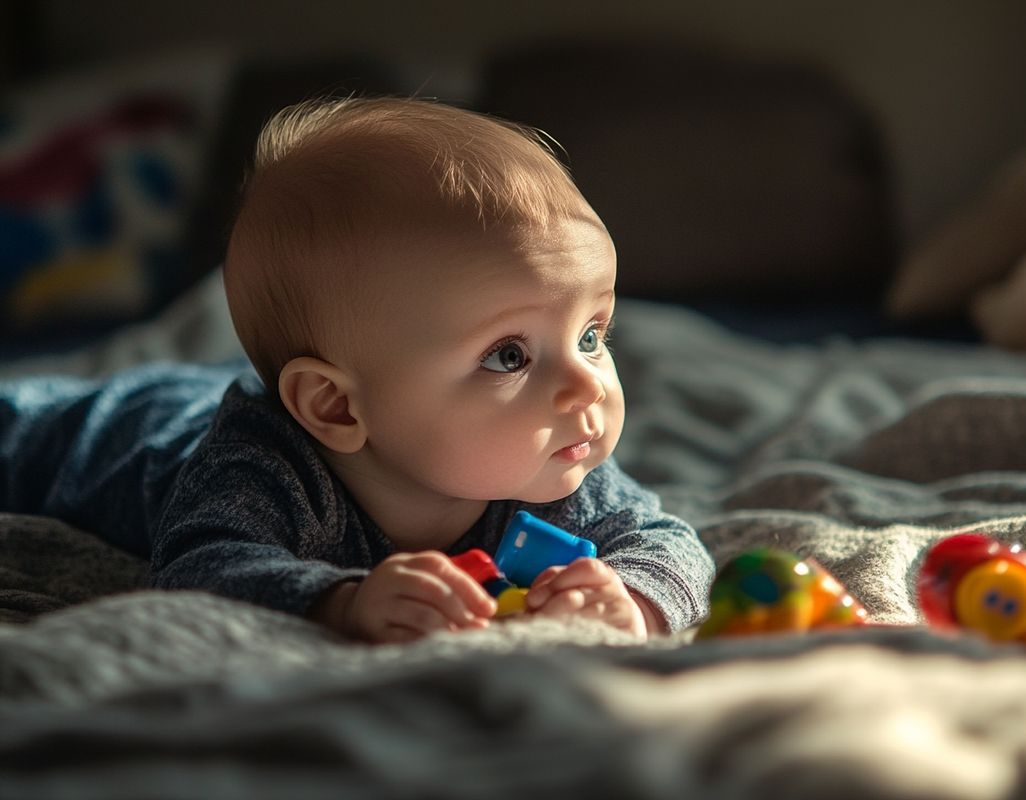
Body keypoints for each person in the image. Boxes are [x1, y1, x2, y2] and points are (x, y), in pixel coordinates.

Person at [0, 96, 714, 643]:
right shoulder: (263, 472)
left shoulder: (550, 468)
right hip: (126, 430)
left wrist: (635, 599)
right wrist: (342, 600)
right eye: (509, 355)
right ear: (338, 409)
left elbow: (667, 541)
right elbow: (201, 565)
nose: (587, 384)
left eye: (592, 334)